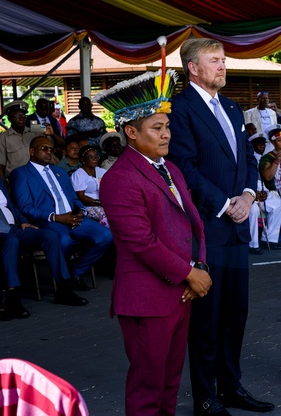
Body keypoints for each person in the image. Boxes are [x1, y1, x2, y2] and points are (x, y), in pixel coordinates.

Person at [97, 68, 212, 416]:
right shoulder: (119, 178)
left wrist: (199, 266)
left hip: (181, 291)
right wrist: (189, 274)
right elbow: (141, 242)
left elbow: (194, 224)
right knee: (148, 385)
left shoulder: (170, 168)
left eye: (167, 126)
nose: (166, 134)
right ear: (131, 132)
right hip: (147, 298)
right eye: (156, 128)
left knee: (170, 381)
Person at [167, 38, 273, 416]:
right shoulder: (179, 109)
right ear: (193, 68)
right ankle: (205, 397)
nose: (222, 66)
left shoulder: (231, 107)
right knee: (206, 319)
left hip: (237, 229)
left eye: (223, 60)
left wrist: (248, 194)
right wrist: (226, 204)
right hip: (206, 229)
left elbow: (247, 158)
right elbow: (183, 167)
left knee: (235, 313)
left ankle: (231, 386)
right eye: (214, 60)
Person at [0, 140, 87, 319]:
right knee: (10, 241)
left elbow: (10, 205)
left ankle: (63, 288)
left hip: (13, 227)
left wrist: (23, 221)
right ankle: (13, 296)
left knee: (50, 236)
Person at [9, 136, 113, 289]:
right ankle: (64, 280)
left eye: (51, 149)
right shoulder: (21, 173)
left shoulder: (60, 172)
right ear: (32, 151)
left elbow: (74, 198)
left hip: (73, 218)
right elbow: (25, 207)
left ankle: (75, 273)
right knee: (64, 240)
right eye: (44, 149)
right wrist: (55, 217)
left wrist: (81, 211)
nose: (49, 152)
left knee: (105, 236)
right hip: (49, 220)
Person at [0, 100, 44, 185]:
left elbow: (55, 142)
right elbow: (0, 166)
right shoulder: (3, 138)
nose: (21, 118)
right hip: (17, 181)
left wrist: (49, 132)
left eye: (23, 115)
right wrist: (4, 185)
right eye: (16, 116)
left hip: (38, 177)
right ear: (9, 118)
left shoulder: (35, 132)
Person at [248, 133, 281, 255]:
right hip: (244, 195)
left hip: (256, 189)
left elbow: (257, 179)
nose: (262, 146)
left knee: (277, 204)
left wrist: (263, 192)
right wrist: (253, 194)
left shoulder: (253, 158)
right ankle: (253, 245)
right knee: (253, 209)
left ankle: (270, 239)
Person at [71, 145, 108, 227]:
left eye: (96, 157)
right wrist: (100, 202)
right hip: (89, 206)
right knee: (108, 216)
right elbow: (81, 197)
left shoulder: (101, 171)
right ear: (83, 159)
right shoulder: (78, 175)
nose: (95, 159)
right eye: (91, 157)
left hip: (104, 203)